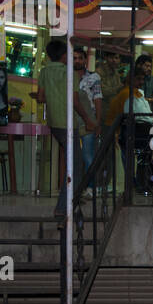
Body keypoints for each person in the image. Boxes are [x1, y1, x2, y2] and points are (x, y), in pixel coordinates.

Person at [30, 38, 99, 214]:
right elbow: (75, 101)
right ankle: (63, 206)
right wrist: (88, 119)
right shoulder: (69, 73)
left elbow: (40, 98)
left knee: (71, 162)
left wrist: (53, 96)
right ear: (63, 56)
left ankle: (72, 199)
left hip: (54, 123)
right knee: (75, 166)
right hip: (68, 124)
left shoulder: (44, 72)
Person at [73, 47, 104, 175]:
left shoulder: (93, 77)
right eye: (74, 58)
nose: (77, 61)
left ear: (85, 60)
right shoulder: (67, 76)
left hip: (89, 118)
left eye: (80, 58)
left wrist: (97, 121)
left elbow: (98, 99)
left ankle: (91, 187)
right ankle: (75, 187)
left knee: (88, 155)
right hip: (71, 118)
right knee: (73, 156)